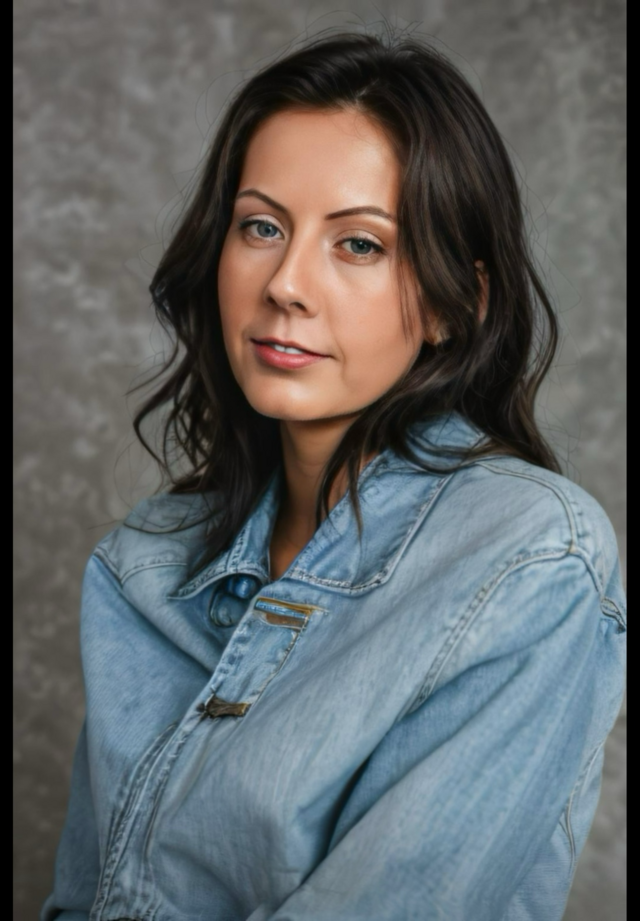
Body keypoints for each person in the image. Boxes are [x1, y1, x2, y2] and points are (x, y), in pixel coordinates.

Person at [42, 31, 626, 921]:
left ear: (456, 302)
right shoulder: (144, 564)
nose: (286, 283)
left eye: (358, 244)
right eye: (262, 227)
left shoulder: (527, 558)